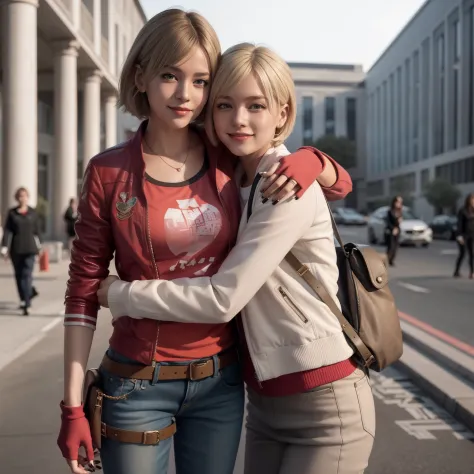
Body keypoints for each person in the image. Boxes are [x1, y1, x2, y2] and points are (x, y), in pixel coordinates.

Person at [57, 10, 353, 474]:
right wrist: (72, 405)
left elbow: (334, 186)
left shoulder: (225, 154)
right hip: (137, 381)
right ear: (141, 75)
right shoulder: (109, 171)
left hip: (222, 380)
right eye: (170, 76)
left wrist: (315, 160)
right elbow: (82, 291)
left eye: (200, 81)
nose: (185, 95)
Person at [1, 187, 41, 315]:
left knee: (27, 275)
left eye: (24, 195)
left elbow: (37, 231)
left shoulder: (33, 213)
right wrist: (4, 247)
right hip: (16, 249)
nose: (21, 198)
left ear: (27, 197)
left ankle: (27, 303)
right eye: (19, 196)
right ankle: (25, 297)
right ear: (16, 198)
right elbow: (7, 231)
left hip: (30, 248)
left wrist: (40, 247)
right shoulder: (12, 213)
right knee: (19, 276)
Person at [453, 193, 474, 279]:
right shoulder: (463, 211)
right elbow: (459, 224)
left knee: (472, 254)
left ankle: (472, 272)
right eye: (472, 200)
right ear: (468, 201)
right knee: (462, 253)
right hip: (463, 235)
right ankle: (456, 271)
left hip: (472, 235)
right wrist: (459, 236)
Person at [385, 195, 403, 267]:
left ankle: (391, 260)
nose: (399, 203)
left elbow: (399, 222)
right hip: (390, 231)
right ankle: (387, 260)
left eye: (400, 202)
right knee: (391, 246)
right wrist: (392, 229)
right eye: (398, 202)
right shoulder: (390, 211)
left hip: (397, 230)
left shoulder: (399, 211)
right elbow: (388, 222)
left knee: (396, 246)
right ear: (394, 202)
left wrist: (399, 221)